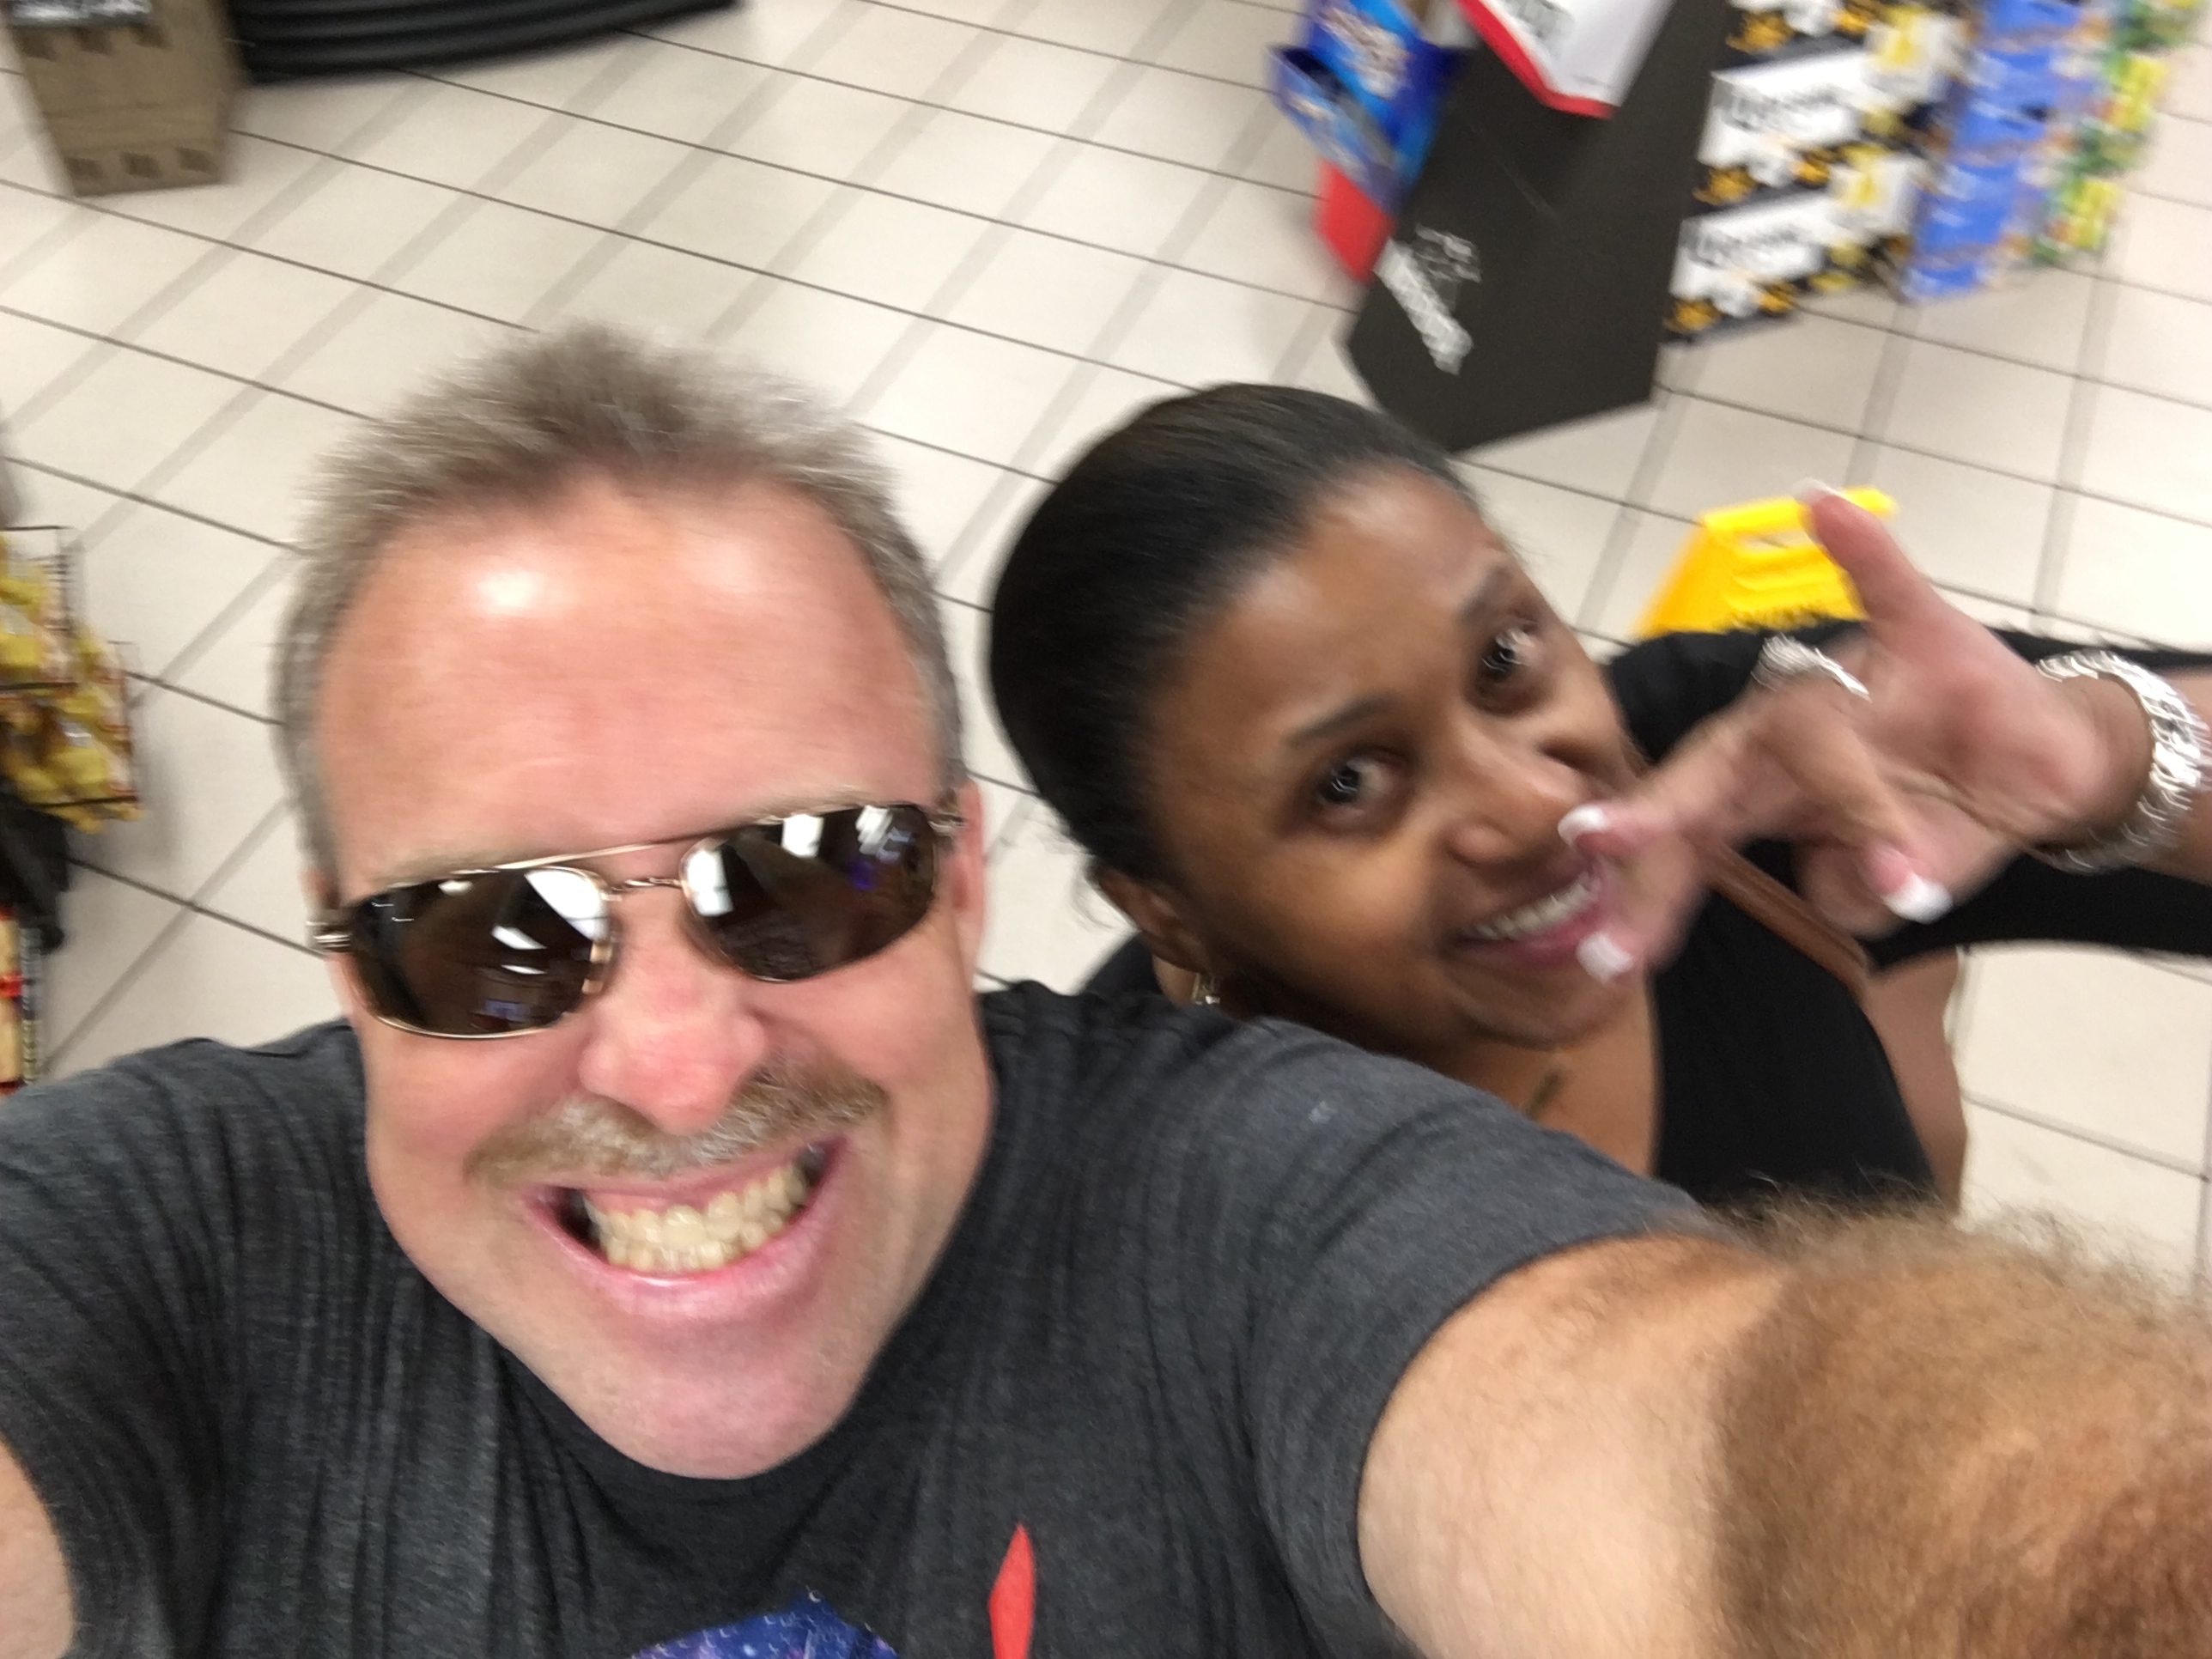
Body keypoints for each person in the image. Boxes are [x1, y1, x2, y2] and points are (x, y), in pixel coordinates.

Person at [1, 328, 2208, 1659]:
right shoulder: (163, 1257)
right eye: (488, 932)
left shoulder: (1745, 776)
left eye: (808, 876)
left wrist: (2110, 760)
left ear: (956, 879)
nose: (672, 1059)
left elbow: (1740, 1470)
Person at [988, 385, 2212, 1209]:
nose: (1536, 807)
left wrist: (2099, 757)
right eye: (1347, 784)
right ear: (1169, 911)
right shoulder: (1153, 1181)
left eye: (1504, 659)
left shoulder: (1747, 766)